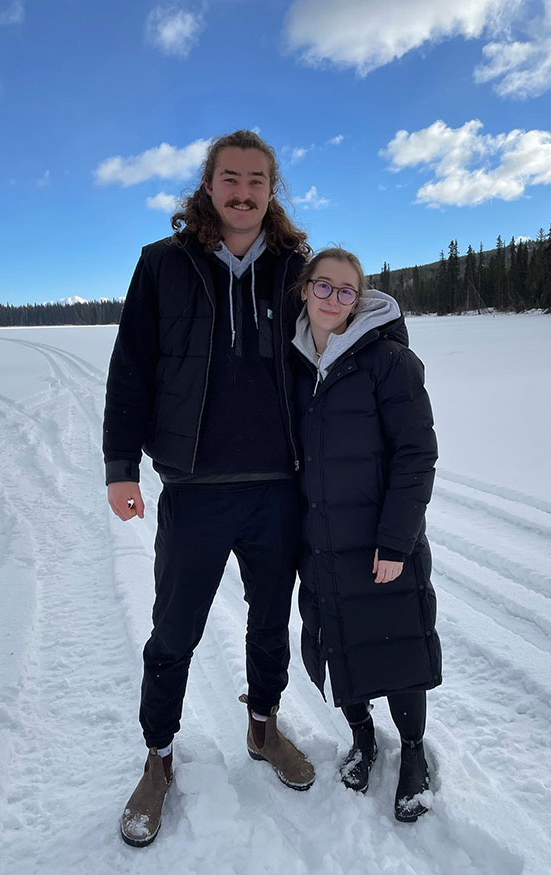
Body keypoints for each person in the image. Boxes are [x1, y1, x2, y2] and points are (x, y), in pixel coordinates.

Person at [103, 130, 315, 848]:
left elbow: (335, 349)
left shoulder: (295, 267)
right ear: (208, 182)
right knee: (174, 631)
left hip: (278, 485)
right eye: (231, 178)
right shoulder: (163, 265)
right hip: (194, 487)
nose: (244, 192)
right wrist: (120, 466)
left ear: (271, 188)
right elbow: (131, 368)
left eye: (258, 180)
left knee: (268, 619)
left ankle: (263, 726)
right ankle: (158, 757)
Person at [291, 248, 441, 822]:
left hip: (380, 541)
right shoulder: (295, 361)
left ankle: (412, 753)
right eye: (322, 287)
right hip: (320, 539)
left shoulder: (389, 362)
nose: (332, 299)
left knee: (398, 647)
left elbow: (416, 454)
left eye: (345, 290)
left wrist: (396, 543)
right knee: (336, 642)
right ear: (306, 290)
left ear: (361, 299)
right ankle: (363, 738)